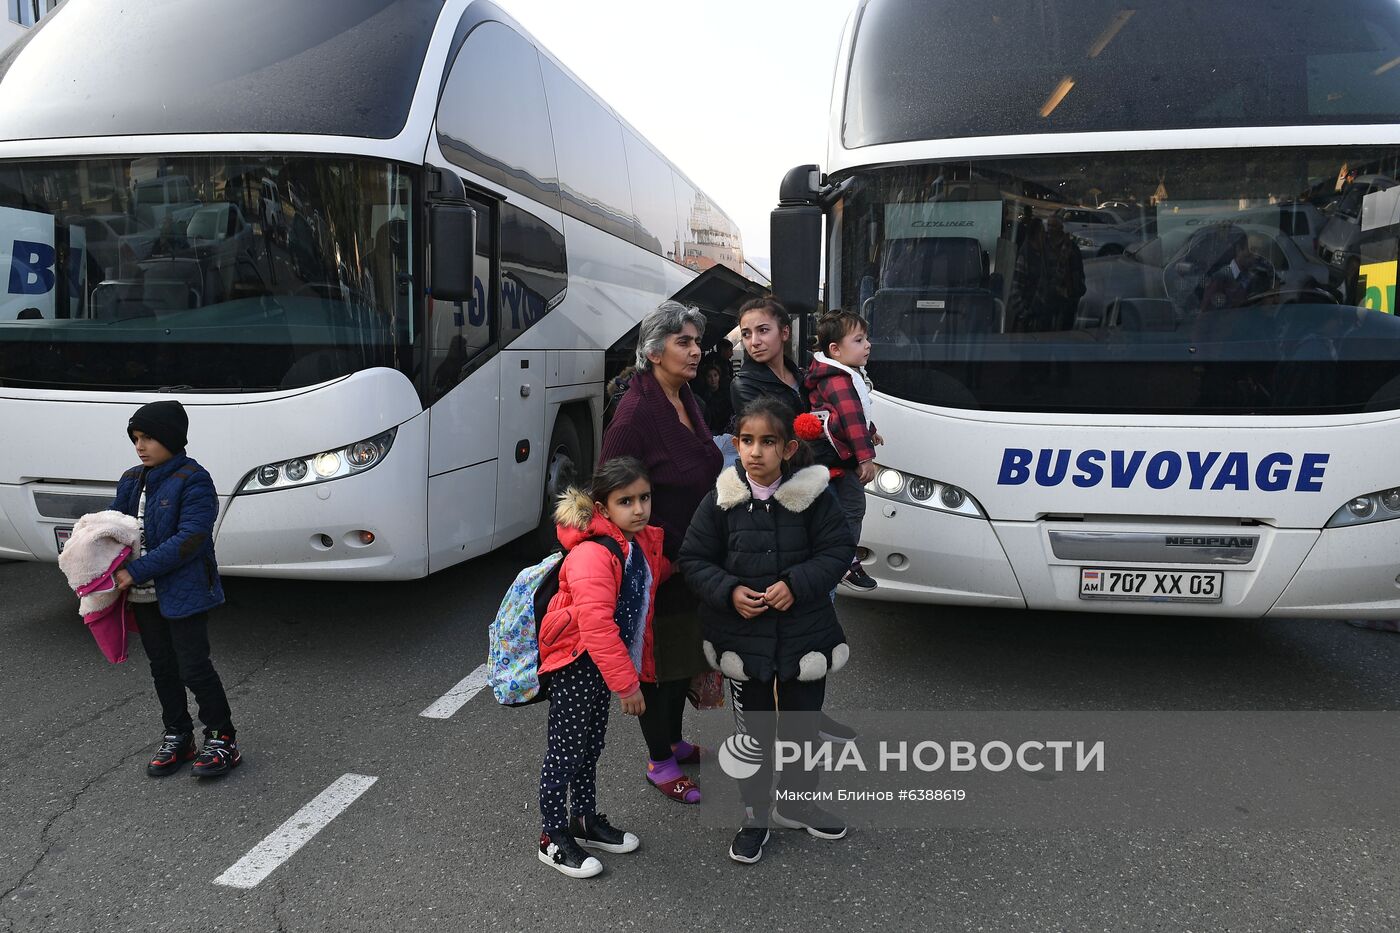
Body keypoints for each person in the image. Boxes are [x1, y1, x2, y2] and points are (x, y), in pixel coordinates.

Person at [679, 397, 855, 864]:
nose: (755, 452)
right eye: (746, 441)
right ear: (735, 444)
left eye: (768, 442)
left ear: (789, 448)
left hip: (806, 636)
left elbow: (838, 550)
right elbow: (694, 559)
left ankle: (796, 804)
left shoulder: (815, 497)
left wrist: (796, 584)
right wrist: (729, 591)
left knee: (802, 726)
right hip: (743, 640)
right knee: (753, 735)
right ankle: (756, 813)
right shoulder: (721, 498)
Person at [599, 301, 721, 803]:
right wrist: (642, 556)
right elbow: (607, 489)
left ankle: (671, 737)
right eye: (683, 343)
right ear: (654, 352)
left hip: (691, 555)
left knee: (682, 654)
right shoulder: (636, 413)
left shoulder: (685, 395)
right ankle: (659, 761)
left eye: (696, 341)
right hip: (658, 562)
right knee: (659, 664)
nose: (695, 351)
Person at [535, 457, 667, 878]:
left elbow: (646, 583)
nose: (639, 509)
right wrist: (628, 685)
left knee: (590, 747)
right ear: (603, 508)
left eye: (644, 497)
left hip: (598, 669)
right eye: (626, 501)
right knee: (565, 753)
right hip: (577, 665)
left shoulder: (630, 543)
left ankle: (584, 820)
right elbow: (595, 624)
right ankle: (552, 836)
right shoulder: (594, 553)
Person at [110, 400, 238, 778]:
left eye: (148, 437)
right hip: (143, 595)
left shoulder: (194, 478)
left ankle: (221, 738)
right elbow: (113, 527)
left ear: (170, 437)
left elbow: (192, 538)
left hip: (185, 590)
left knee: (193, 667)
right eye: (135, 438)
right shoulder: (131, 479)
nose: (140, 446)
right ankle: (178, 736)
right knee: (162, 668)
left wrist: (139, 569)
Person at [804, 311, 884, 591]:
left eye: (867, 339)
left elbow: (856, 414)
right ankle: (843, 561)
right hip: (839, 456)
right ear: (835, 350)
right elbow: (850, 418)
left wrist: (871, 431)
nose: (868, 345)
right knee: (853, 507)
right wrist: (866, 457)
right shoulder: (839, 379)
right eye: (859, 340)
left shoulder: (838, 375)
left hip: (831, 455)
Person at [730, 297, 807, 418]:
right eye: (746, 334)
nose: (754, 342)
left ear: (784, 333)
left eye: (763, 330)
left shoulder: (800, 375)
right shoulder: (744, 385)